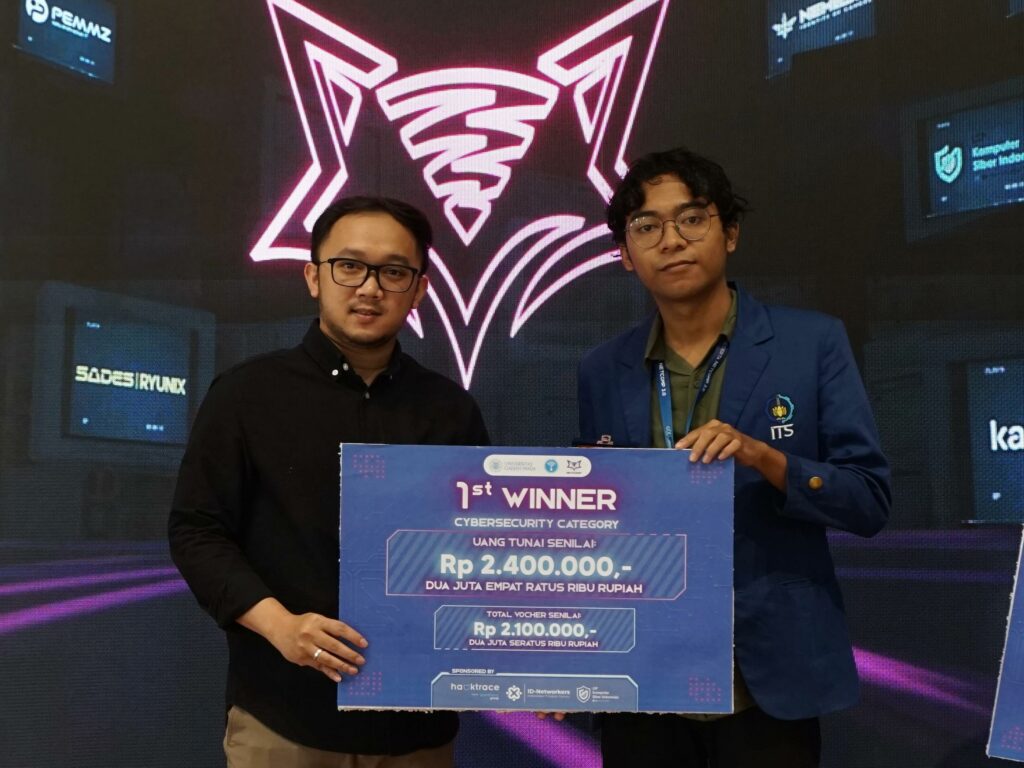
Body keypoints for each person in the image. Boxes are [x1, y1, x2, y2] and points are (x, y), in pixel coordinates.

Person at [575, 148, 891, 767]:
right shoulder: (602, 369)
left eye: (692, 218)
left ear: (731, 232)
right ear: (626, 254)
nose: (671, 240)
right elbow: (598, 526)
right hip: (642, 680)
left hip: (768, 680)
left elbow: (869, 501)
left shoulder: (811, 343)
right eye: (646, 226)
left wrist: (765, 459)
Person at [169, 196, 489, 767]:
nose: (370, 288)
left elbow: (483, 547)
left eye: (394, 272)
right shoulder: (246, 394)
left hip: (418, 726)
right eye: (349, 266)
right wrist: (281, 627)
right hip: (284, 720)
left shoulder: (450, 410)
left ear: (419, 289)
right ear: (313, 277)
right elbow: (197, 532)